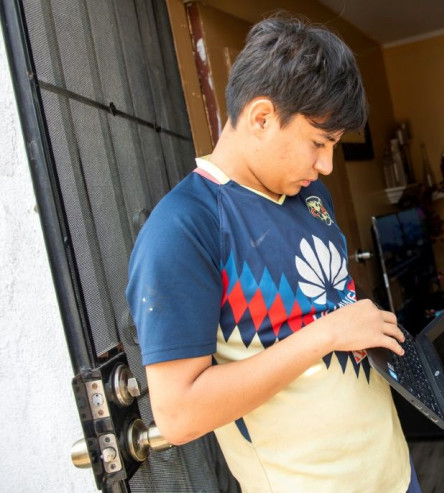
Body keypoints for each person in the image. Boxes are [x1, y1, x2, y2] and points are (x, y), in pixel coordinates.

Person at [126, 15, 421, 493]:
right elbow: (179, 415)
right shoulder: (185, 227)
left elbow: (326, 310)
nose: (325, 165)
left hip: (394, 473)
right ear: (261, 117)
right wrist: (327, 334)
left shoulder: (310, 196)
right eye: (318, 143)